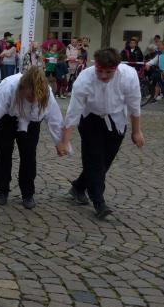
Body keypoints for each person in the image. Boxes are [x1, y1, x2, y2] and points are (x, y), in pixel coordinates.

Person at [57, 48, 144, 219]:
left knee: (104, 162)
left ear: (116, 68)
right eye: (100, 71)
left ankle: (78, 187)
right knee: (95, 159)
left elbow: (134, 105)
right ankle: (99, 202)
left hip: (117, 120)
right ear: (95, 66)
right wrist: (65, 141)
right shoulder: (84, 79)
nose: (103, 76)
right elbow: (74, 112)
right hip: (91, 119)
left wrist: (136, 131)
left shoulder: (129, 76)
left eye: (108, 72)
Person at [0, 66, 64, 209]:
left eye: (37, 96)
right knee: (3, 152)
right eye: (31, 95)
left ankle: (28, 193)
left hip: (31, 120)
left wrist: (60, 143)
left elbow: (55, 119)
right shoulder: (9, 87)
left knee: (29, 155)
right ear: (24, 87)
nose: (33, 99)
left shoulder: (47, 93)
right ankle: (2, 190)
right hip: (5, 117)